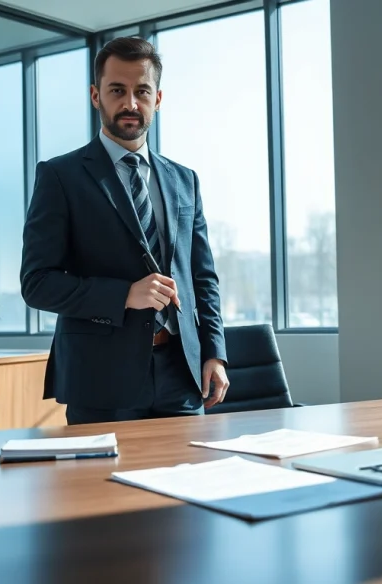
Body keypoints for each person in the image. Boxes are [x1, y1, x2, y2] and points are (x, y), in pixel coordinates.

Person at [20, 36, 229, 425]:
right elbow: (36, 282)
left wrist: (214, 351)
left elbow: (202, 277)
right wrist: (123, 295)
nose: (130, 103)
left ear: (158, 98)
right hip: (101, 380)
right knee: (103, 488)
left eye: (142, 91)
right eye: (118, 90)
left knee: (191, 482)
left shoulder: (185, 181)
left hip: (182, 375)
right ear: (96, 95)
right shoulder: (59, 176)